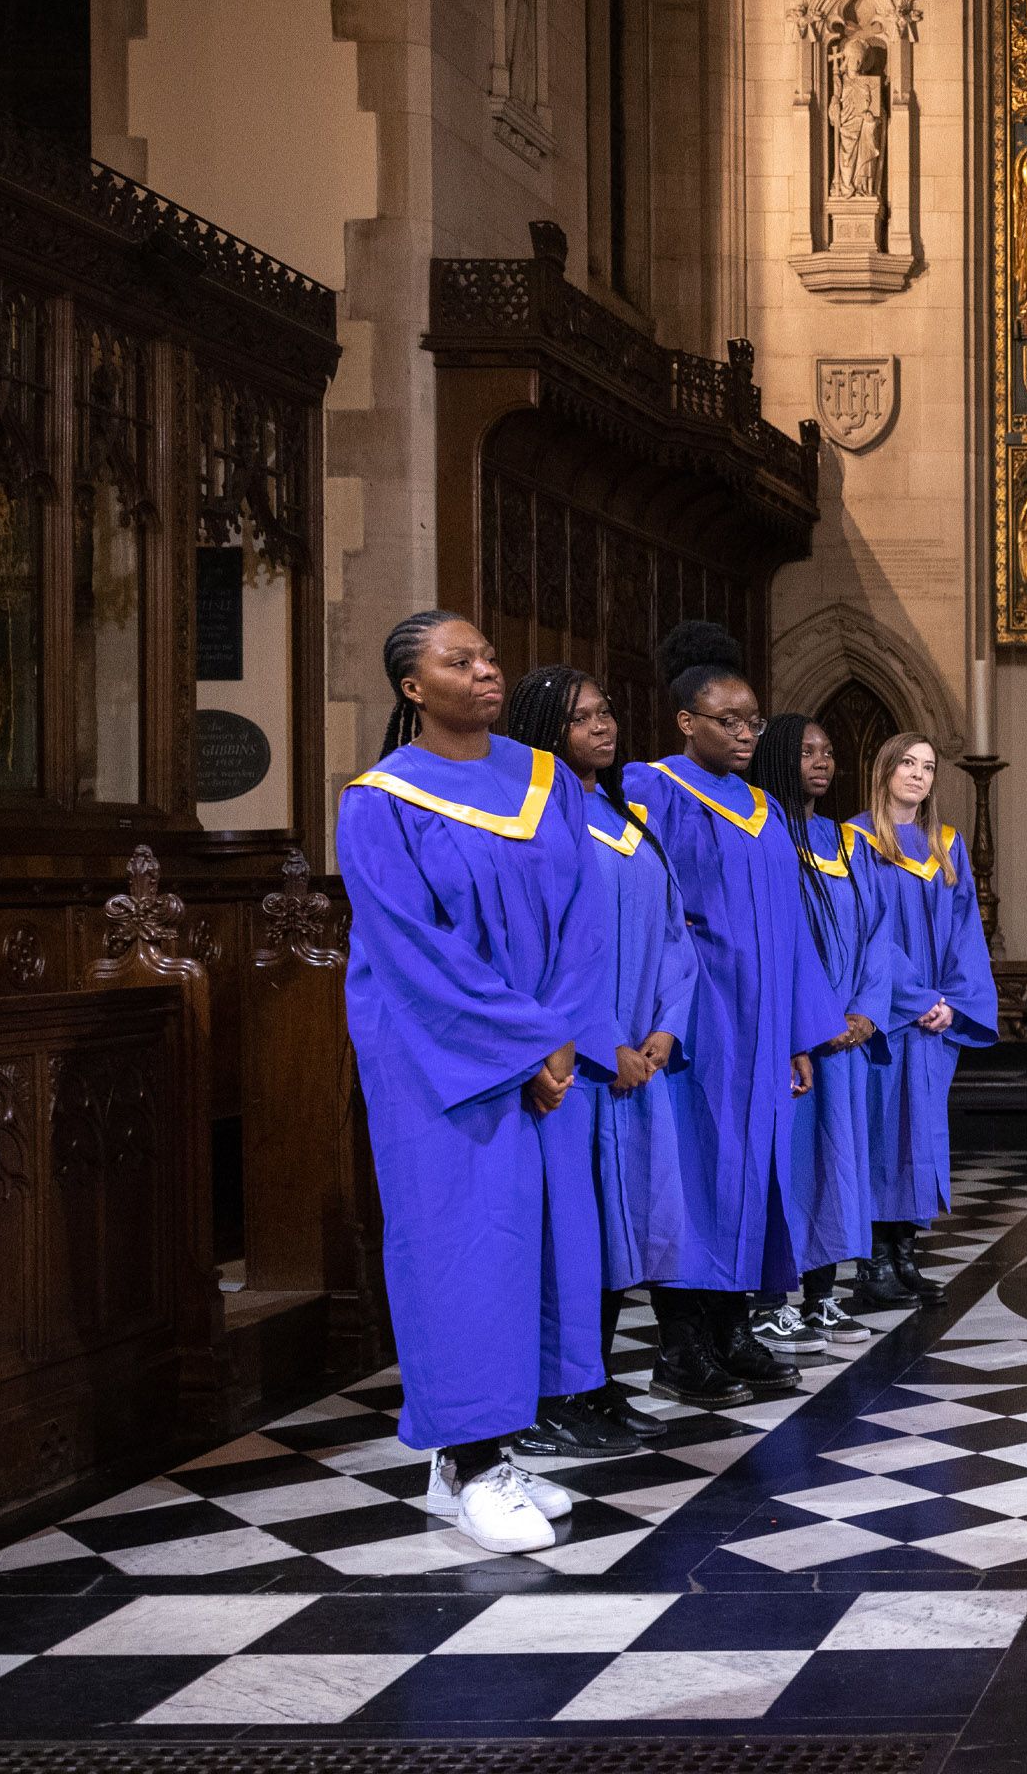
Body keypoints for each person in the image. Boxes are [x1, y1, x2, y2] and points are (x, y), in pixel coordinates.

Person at [339, 611, 611, 1555]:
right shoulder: (380, 801)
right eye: (461, 662)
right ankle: (465, 1460)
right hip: (440, 1063)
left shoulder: (545, 782)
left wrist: (565, 1040)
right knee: (462, 1254)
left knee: (539, 1250)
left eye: (489, 656)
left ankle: (500, 1440)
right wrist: (529, 1043)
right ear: (414, 688)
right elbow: (412, 952)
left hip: (543, 1059)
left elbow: (586, 919)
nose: (487, 671)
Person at [621, 625, 847, 1407]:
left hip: (761, 1031)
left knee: (753, 1179)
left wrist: (796, 1036)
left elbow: (789, 927)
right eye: (729, 720)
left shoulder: (764, 808)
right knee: (693, 1179)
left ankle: (730, 1329)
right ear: (688, 720)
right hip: (693, 1024)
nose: (748, 732)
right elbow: (647, 911)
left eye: (753, 719)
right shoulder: (653, 788)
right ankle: (681, 1349)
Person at [501, 665, 700, 1451]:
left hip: (636, 1065)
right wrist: (602, 1039)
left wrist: (664, 1030)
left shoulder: (627, 819)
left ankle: (595, 1381)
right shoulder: (539, 821)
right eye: (582, 719)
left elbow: (676, 939)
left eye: (606, 711)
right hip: (575, 1071)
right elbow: (552, 950)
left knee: (617, 1238)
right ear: (548, 733)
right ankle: (553, 1393)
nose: (603, 727)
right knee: (567, 1235)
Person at [746, 713, 921, 1356]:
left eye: (827, 751)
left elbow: (877, 937)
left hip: (845, 1035)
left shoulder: (845, 844)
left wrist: (868, 1011)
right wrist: (819, 1018)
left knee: (835, 1167)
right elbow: (778, 942)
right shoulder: (764, 833)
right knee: (785, 1167)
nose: (822, 762)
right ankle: (768, 1303)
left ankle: (821, 1297)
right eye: (807, 751)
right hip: (796, 1037)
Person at [851, 733, 1001, 1303]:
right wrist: (916, 1000)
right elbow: (866, 936)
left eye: (929, 767)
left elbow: (966, 931)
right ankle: (873, 1265)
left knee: (921, 1138)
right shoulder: (855, 840)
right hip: (885, 1019)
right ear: (885, 769)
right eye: (908, 764)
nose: (918, 775)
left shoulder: (946, 844)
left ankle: (905, 1256)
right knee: (882, 1133)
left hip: (935, 1018)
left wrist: (955, 1003)